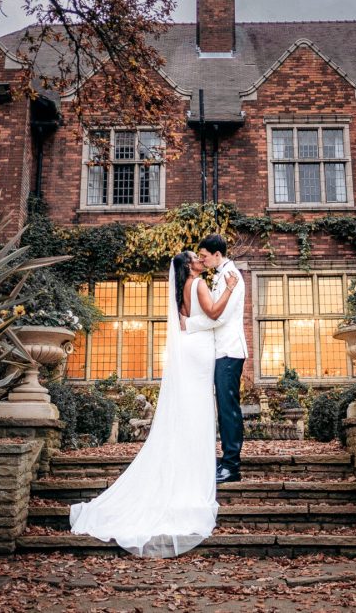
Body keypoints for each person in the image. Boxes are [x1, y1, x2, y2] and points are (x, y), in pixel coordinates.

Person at [69, 250, 237, 557]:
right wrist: (228, 289)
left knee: (192, 410)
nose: (198, 258)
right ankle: (192, 469)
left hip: (191, 349)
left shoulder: (185, 287)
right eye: (193, 256)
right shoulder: (197, 283)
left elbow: (190, 320)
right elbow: (213, 314)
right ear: (188, 266)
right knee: (198, 411)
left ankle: (189, 463)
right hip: (199, 351)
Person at [182, 233, 247, 484]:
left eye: (205, 256)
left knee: (228, 409)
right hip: (221, 351)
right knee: (224, 408)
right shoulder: (221, 275)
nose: (202, 260)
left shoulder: (233, 277)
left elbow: (218, 317)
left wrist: (188, 324)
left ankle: (232, 466)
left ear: (217, 255)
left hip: (229, 351)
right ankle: (227, 461)